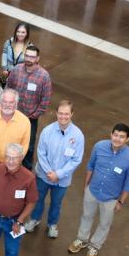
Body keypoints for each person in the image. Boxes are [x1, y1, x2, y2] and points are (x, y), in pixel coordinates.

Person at [68, 123, 129, 256]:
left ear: (127, 139)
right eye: (116, 135)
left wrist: (121, 201)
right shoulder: (99, 146)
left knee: (104, 224)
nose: (117, 139)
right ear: (111, 134)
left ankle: (94, 247)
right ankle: (81, 239)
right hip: (92, 191)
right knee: (86, 216)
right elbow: (90, 166)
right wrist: (86, 185)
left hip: (111, 198)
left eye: (122, 137)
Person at [26, 101, 84, 238]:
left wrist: (59, 174)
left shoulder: (78, 136)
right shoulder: (47, 131)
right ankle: (35, 219)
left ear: (72, 114)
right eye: (61, 113)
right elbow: (41, 153)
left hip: (62, 180)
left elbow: (76, 159)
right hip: (43, 176)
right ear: (56, 113)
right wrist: (49, 172)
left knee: (56, 203)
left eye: (67, 114)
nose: (63, 117)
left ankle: (52, 224)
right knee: (38, 198)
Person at [5, 45, 52, 169]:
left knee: (28, 147)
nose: (29, 59)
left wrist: (33, 116)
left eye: (32, 57)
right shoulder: (16, 70)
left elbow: (45, 100)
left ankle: (25, 171)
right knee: (10, 141)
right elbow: (8, 87)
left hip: (30, 119)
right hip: (12, 115)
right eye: (27, 55)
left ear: (37, 58)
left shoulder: (44, 76)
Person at [0, 22, 33, 87]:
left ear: (27, 33)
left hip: (20, 76)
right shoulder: (9, 42)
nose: (20, 34)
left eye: (23, 32)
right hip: (7, 73)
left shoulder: (30, 47)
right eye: (18, 31)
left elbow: (30, 63)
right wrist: (4, 68)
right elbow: (4, 53)